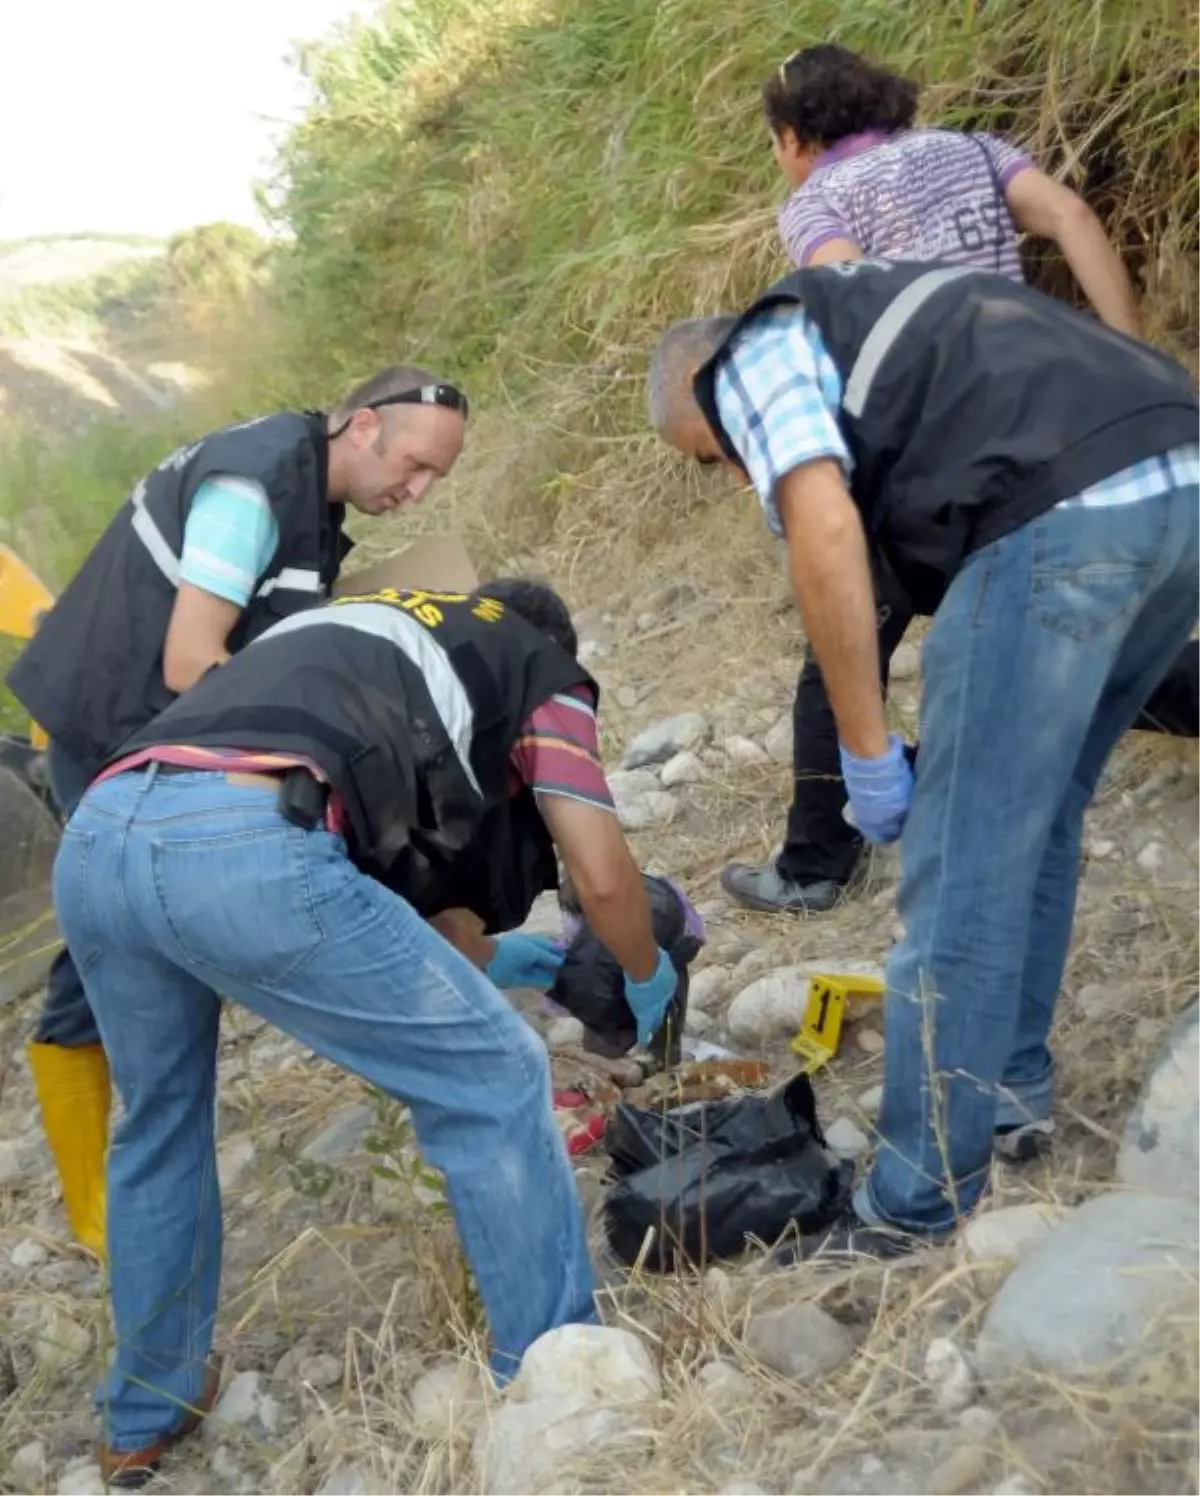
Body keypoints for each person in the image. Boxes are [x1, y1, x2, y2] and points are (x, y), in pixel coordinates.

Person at [51, 577, 678, 1483]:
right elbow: (605, 875)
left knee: (159, 1123)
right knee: (497, 1077)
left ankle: (147, 1409)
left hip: (101, 838)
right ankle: (559, 1378)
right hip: (240, 850)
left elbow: (380, 926)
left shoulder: (358, 641)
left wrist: (517, 959)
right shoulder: (542, 671)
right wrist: (647, 974)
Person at [648, 256, 1200, 1253]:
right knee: (1040, 816)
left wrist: (865, 751)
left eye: (709, 455)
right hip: (1178, 474)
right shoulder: (885, 311)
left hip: (1056, 516)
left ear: (700, 383)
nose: (734, 471)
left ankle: (914, 1196)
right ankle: (1007, 1091)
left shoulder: (750, 355)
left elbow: (823, 528)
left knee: (956, 870)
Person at [6, 367, 467, 1260]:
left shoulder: (310, 492)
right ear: (363, 425)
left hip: (157, 725)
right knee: (118, 946)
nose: (417, 492)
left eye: (436, 480)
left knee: (128, 938)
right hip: (110, 723)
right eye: (414, 466)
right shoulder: (251, 489)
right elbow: (190, 661)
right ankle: (95, 1202)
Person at [723, 42, 1146, 915]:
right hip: (1044, 424)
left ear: (796, 136)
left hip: (934, 453)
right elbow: (1071, 218)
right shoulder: (975, 150)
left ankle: (813, 866)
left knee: (841, 651)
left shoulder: (819, 200)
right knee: (1063, 628)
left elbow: (848, 308)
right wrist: (1128, 351)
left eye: (774, 143)